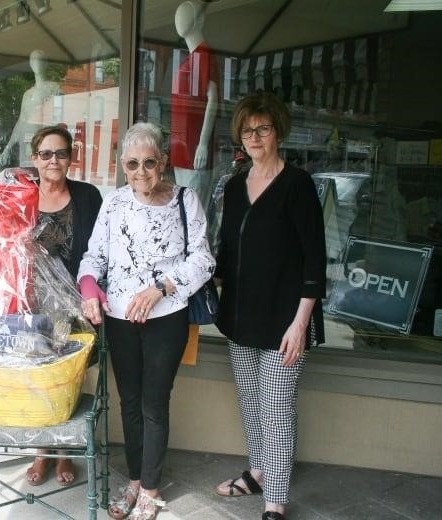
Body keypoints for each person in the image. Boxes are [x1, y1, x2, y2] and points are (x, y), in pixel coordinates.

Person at [78, 122, 215, 520]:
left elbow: (204, 259)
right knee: (130, 402)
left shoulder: (185, 201)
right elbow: (94, 258)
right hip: (119, 319)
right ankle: (136, 480)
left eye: (150, 162)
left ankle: (150, 491)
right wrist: (89, 289)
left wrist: (161, 288)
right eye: (133, 163)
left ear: (164, 163)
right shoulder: (113, 202)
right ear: (123, 165)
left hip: (166, 317)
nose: (142, 171)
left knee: (155, 403)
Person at [213, 91, 326, 520]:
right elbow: (226, 254)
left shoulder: (297, 185)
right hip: (240, 317)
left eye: (263, 128)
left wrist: (300, 324)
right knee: (250, 401)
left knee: (277, 408)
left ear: (278, 131)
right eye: (247, 130)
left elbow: (315, 262)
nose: (255, 137)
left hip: (284, 321)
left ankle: (274, 500)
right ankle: (259, 471)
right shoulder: (235, 186)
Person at [24, 124, 103, 487]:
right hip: (33, 306)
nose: (53, 160)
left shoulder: (88, 196)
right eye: (45, 154)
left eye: (60, 153)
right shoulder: (20, 195)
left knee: (71, 382)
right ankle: (42, 453)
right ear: (34, 158)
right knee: (38, 382)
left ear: (71, 158)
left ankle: (65, 453)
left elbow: (99, 250)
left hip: (76, 308)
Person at [171, 0, 220, 210]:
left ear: (200, 19)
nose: (179, 20)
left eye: (186, 14)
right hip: (181, 150)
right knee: (184, 211)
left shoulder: (204, 55)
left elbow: (213, 101)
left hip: (194, 153)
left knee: (195, 214)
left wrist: (202, 143)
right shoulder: (192, 57)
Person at [0, 50, 62, 168]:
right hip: (27, 142)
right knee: (28, 175)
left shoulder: (54, 88)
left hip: (45, 143)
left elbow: (58, 117)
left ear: (45, 63)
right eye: (33, 60)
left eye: (40, 60)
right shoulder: (27, 94)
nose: (36, 63)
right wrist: (8, 147)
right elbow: (21, 121)